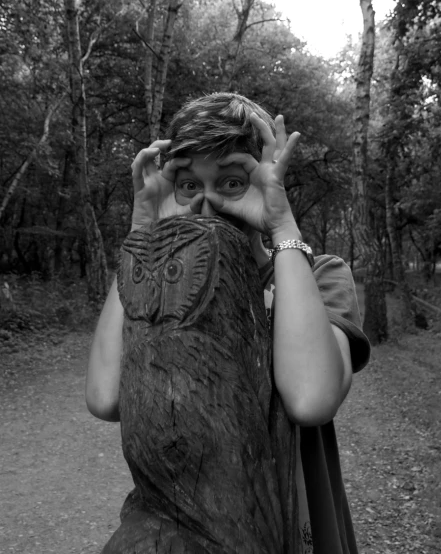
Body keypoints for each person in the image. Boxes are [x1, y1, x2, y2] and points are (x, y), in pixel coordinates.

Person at [86, 92, 370, 554]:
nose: (209, 203)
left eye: (233, 182)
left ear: (267, 182)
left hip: (293, 526)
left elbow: (311, 398)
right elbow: (104, 396)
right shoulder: (163, 285)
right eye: (189, 186)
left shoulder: (319, 276)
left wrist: (282, 228)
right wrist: (143, 233)